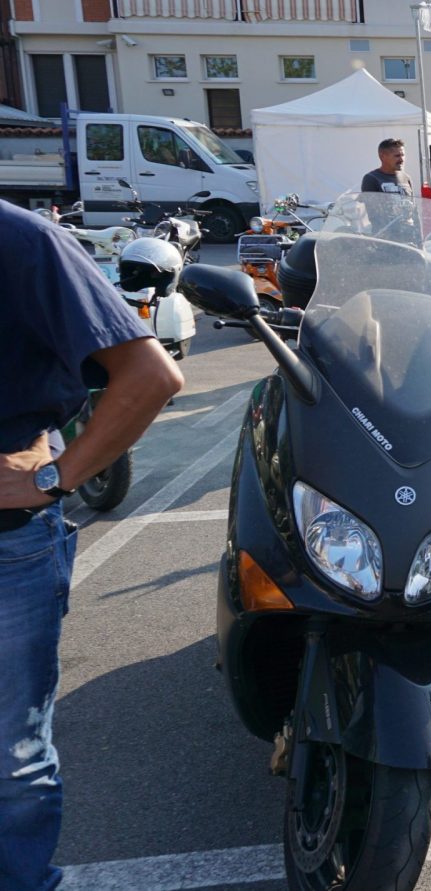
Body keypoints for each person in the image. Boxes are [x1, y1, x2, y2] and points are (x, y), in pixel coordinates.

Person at [0, 201, 184, 889]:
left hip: (7, 541)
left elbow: (151, 376)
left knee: (10, 761)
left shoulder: (21, 240)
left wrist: (51, 479)